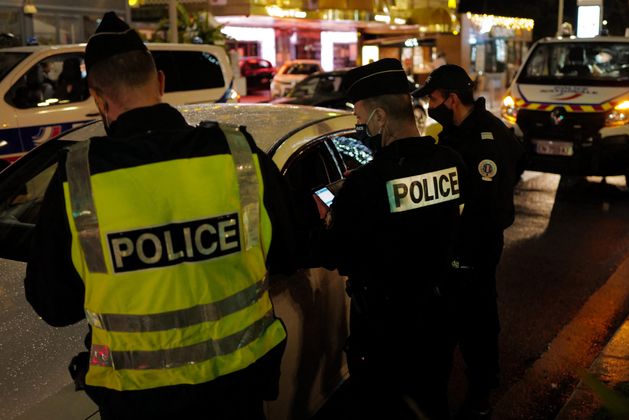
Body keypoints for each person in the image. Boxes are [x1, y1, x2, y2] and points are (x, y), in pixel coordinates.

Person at [24, 12, 295, 420]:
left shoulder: (79, 175)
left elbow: (54, 304)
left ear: (99, 99)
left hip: (141, 401)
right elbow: (288, 253)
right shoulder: (238, 154)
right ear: (161, 83)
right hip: (238, 391)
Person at [318, 58, 467, 419]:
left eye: (359, 118)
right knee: (432, 400)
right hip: (439, 315)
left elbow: (338, 254)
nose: (358, 127)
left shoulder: (366, 184)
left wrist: (332, 213)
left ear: (380, 118)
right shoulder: (450, 161)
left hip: (386, 328)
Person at [413, 64, 525, 419]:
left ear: (452, 99)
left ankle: (481, 394)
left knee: (477, 323)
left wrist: (463, 245)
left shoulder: (488, 138)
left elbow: (490, 209)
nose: (430, 106)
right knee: (444, 328)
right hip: (451, 252)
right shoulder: (451, 135)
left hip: (476, 252)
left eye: (433, 99)